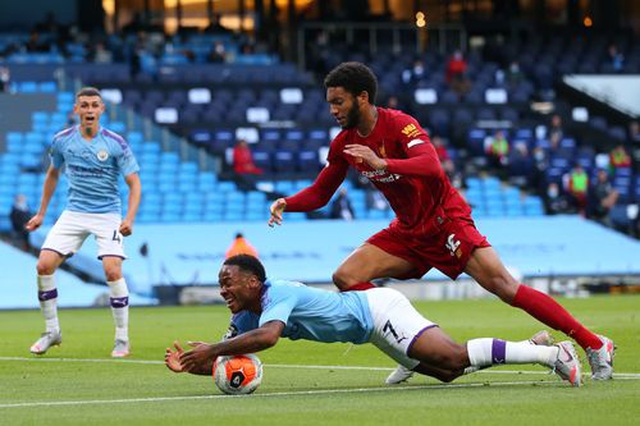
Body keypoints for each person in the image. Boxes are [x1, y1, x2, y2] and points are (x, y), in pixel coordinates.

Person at [267, 62, 613, 383]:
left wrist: (384, 164)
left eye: (339, 102)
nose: (333, 110)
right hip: (408, 231)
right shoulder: (344, 143)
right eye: (330, 103)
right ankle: (410, 344)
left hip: (446, 221)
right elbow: (322, 191)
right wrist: (289, 203)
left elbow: (431, 166)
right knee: (346, 276)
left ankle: (593, 343)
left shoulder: (400, 124)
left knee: (505, 287)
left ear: (363, 97)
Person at [165, 255, 582, 387]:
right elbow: (219, 360)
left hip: (378, 310)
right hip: (370, 333)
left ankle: (551, 353)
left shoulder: (279, 292)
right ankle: (531, 343)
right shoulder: (243, 314)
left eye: (229, 283)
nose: (224, 291)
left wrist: (215, 349)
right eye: (221, 285)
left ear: (254, 281)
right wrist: (189, 365)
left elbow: (268, 338)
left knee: (453, 358)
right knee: (449, 374)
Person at [25, 87, 141, 358]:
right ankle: (52, 331)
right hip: (74, 213)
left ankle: (122, 339)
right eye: (84, 105)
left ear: (102, 110)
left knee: (112, 271)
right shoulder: (62, 141)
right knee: (43, 265)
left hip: (107, 215)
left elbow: (134, 184)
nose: (89, 110)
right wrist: (41, 214)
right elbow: (52, 174)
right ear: (76, 110)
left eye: (94, 105)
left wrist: (129, 218)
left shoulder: (115, 143)